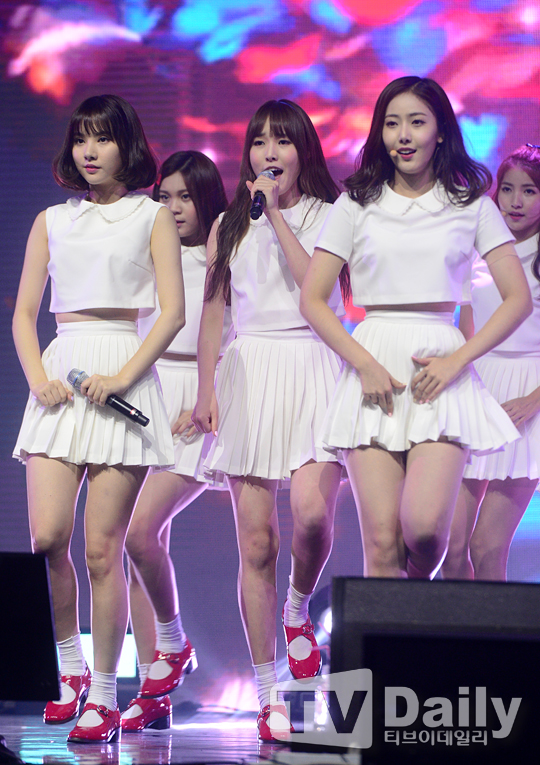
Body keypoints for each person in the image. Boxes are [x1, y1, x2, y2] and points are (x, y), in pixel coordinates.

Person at [299, 76, 532, 582]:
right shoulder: (354, 203)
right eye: (392, 123)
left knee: (425, 532)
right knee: (382, 542)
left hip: (441, 367)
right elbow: (312, 299)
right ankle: (390, 630)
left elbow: (518, 299)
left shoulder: (471, 204)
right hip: (373, 363)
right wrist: (363, 364)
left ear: (440, 132)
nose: (403, 135)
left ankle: (411, 604)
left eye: (416, 122)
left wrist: (457, 360)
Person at [12, 95, 184, 744]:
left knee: (100, 548)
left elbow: (172, 313)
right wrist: (38, 379)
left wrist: (124, 376)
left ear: (126, 145)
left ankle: (106, 696)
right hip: (61, 376)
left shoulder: (151, 216)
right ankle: (69, 668)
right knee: (47, 538)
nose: (89, 150)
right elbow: (24, 313)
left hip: (120, 373)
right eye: (81, 138)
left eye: (102, 138)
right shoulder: (52, 220)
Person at [191, 99, 348, 742]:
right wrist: (205, 389)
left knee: (312, 516)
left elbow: (316, 288)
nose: (270, 153)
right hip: (250, 371)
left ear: (304, 149)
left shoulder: (333, 213)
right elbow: (214, 311)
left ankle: (297, 607)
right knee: (257, 543)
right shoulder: (228, 225)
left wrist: (277, 214)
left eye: (282, 141)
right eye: (260, 141)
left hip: (314, 364)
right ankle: (267, 694)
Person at [120, 151, 232, 732]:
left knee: (140, 534)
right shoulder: (150, 252)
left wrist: (207, 395)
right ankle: (153, 690)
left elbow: (233, 333)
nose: (173, 207)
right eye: (164, 197)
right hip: (148, 396)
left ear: (207, 198)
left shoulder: (225, 255)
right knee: (141, 549)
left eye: (185, 196)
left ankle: (174, 642)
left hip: (199, 399)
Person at [443, 144, 540, 581]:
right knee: (449, 548)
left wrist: (533, 401)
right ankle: (453, 626)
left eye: (530, 191)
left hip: (528, 400)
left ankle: (493, 630)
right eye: (508, 189)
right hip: (477, 392)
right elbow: (466, 331)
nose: (516, 201)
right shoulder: (478, 251)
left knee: (486, 548)